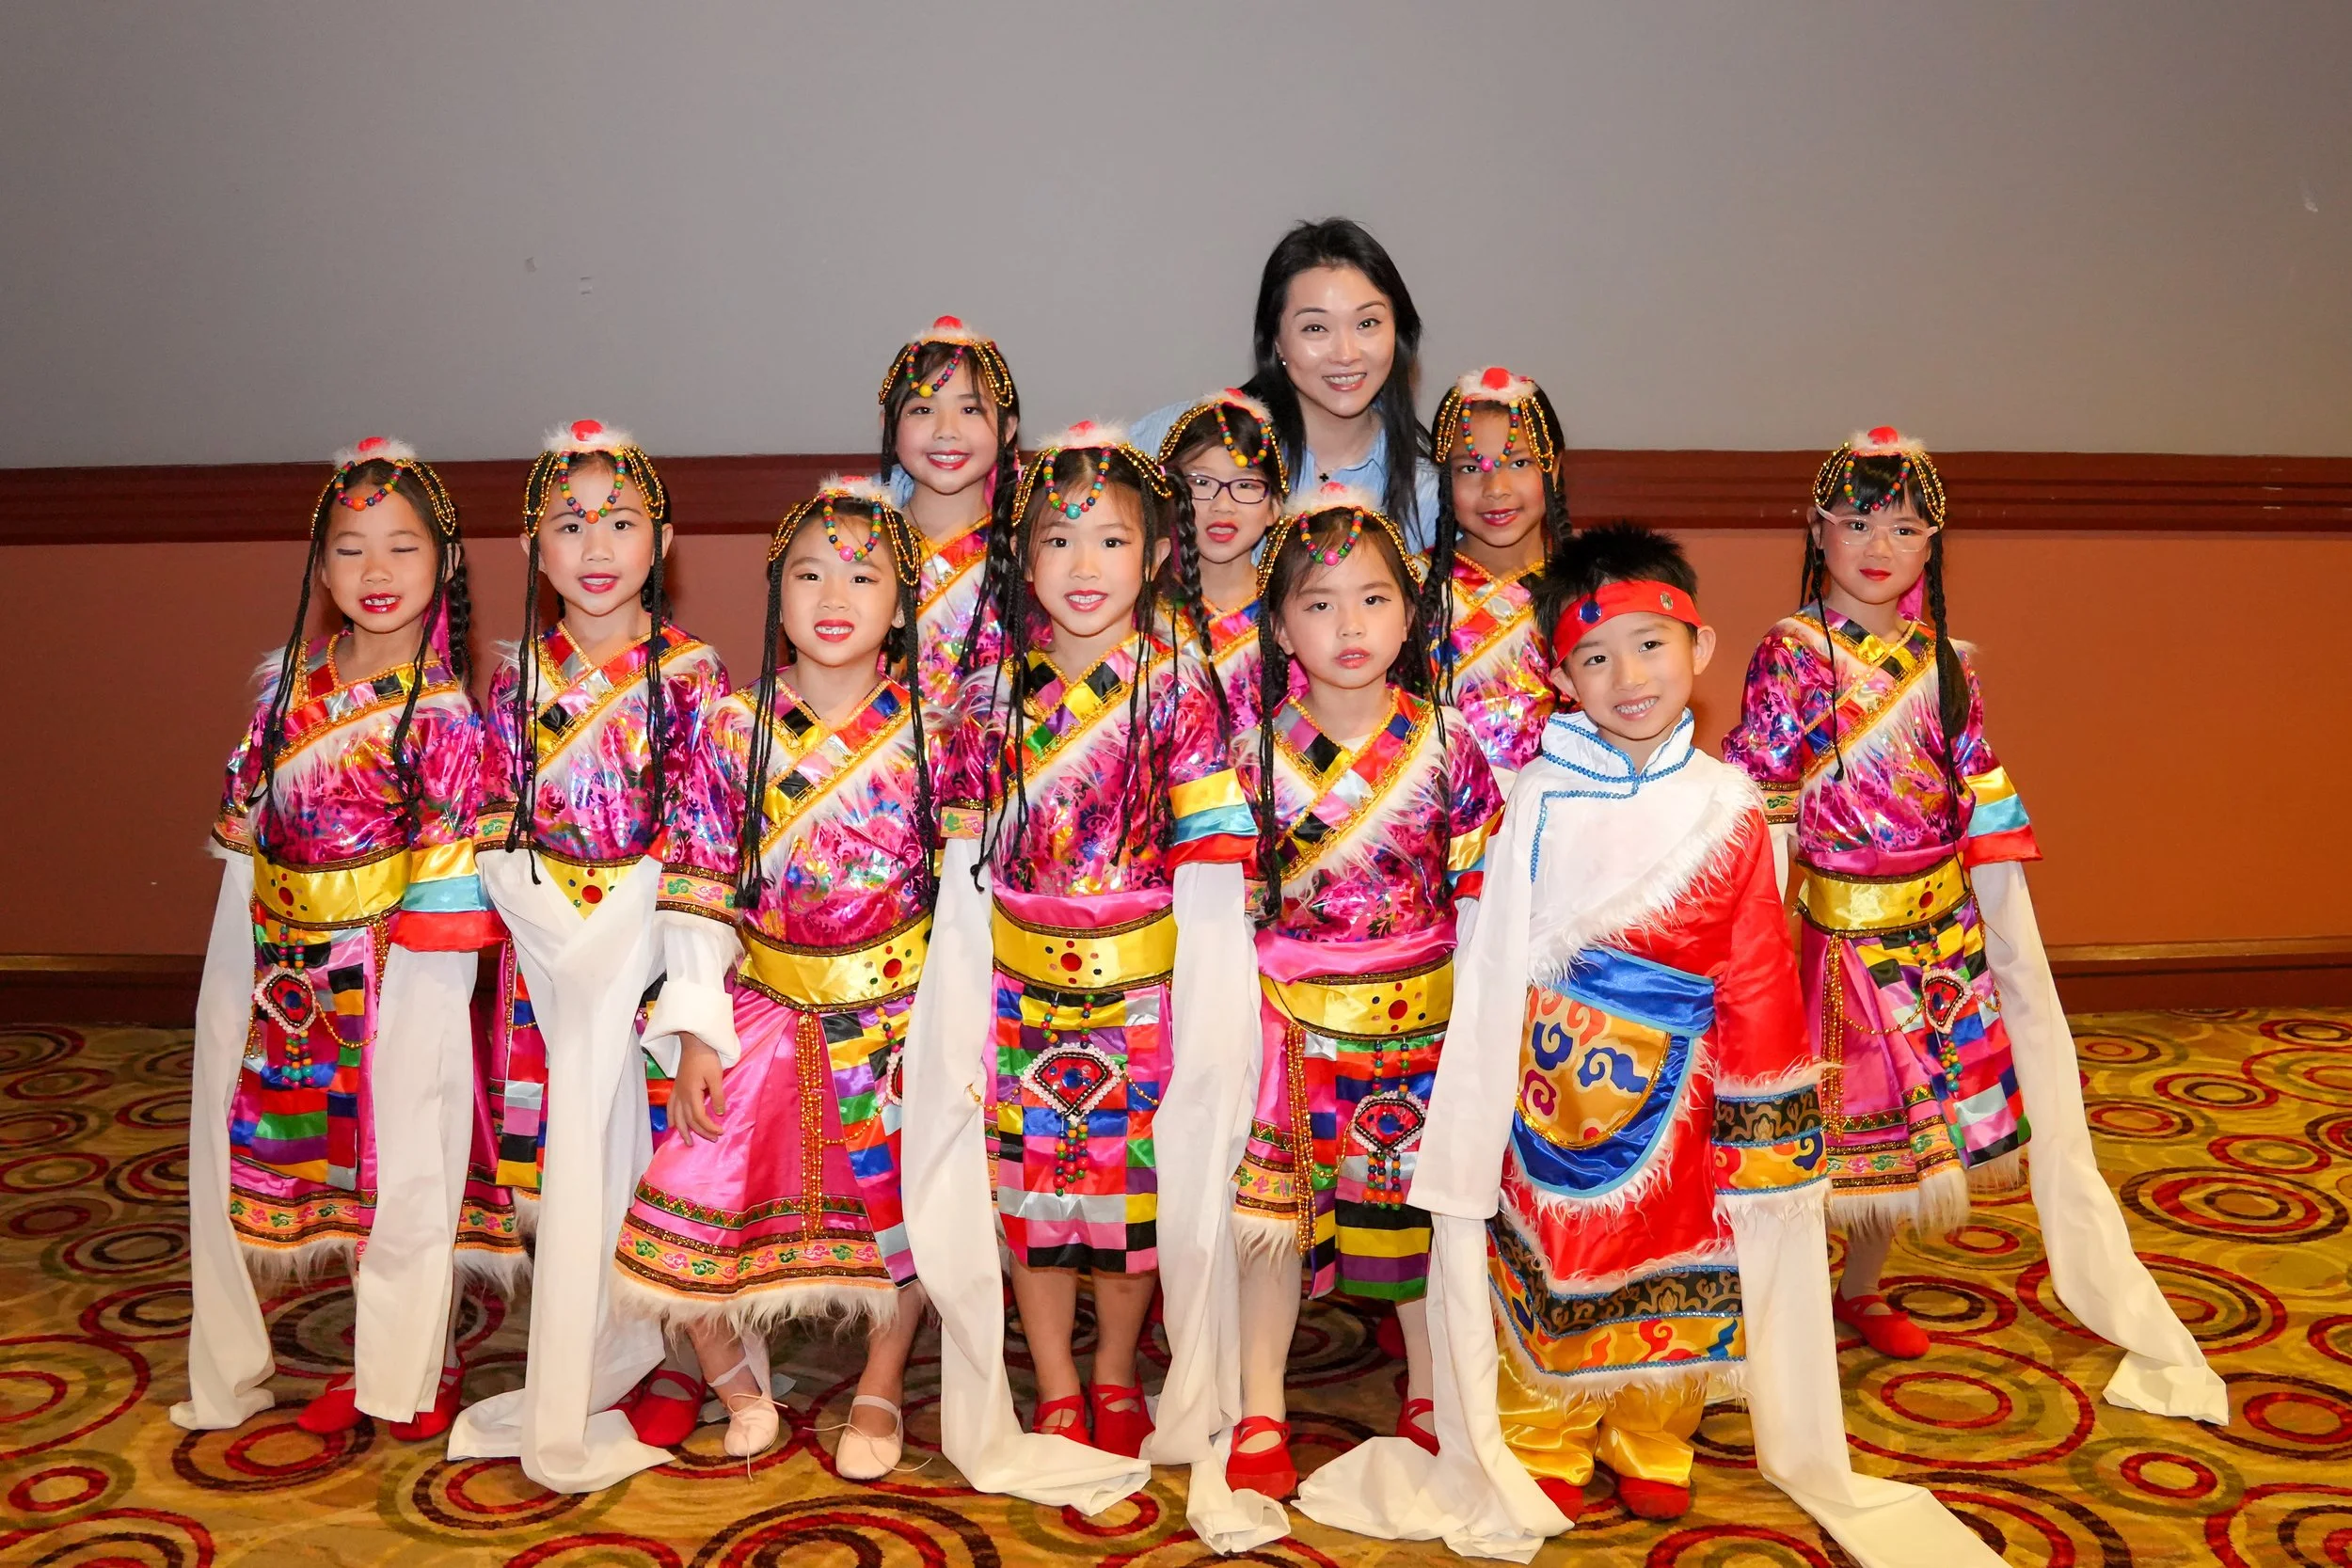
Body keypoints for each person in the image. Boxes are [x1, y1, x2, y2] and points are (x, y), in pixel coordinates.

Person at [1294, 522, 2002, 1568]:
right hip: (1549, 1086)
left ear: (1700, 647)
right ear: (1557, 675)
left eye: (1650, 645)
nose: (1626, 676)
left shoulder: (1725, 804)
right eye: (1594, 655)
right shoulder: (1534, 798)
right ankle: (1546, 1428)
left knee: (1681, 1249)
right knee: (1548, 1255)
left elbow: (1756, 968)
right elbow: (1492, 958)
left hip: (1686, 1091)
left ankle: (1651, 1427)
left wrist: (1764, 1126)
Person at [1723, 428, 2221, 1419]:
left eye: (1903, 526)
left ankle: (1859, 1285)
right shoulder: (1790, 651)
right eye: (1856, 520)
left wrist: (1992, 912)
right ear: (1815, 528)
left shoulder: (1944, 661)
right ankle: (1765, 1305)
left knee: (1916, 1133)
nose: (1877, 543)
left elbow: (1975, 786)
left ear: (1931, 544)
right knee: (1811, 1129)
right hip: (1830, 936)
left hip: (1934, 931)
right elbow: (1762, 789)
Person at [901, 423, 1271, 1546]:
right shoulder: (988, 689)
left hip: (1142, 988)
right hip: (1017, 979)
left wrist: (1212, 1007)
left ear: (1157, 552)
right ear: (1024, 555)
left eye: (1112, 538)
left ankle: (1116, 1364)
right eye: (1058, 537)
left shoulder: (1180, 680)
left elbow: (1208, 867)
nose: (1084, 563)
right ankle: (1052, 1371)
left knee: (1128, 1199)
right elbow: (959, 871)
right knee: (1032, 1191)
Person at [609, 477, 945, 1473]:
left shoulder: (940, 731)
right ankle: (733, 1382)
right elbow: (700, 887)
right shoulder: (728, 726)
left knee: (906, 1207)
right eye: (807, 572)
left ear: (903, 599)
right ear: (775, 594)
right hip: (766, 998)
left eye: (861, 573)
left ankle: (881, 1381)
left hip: (901, 1010)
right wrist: (699, 1030)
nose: (833, 594)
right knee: (693, 1178)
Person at [175, 438, 508, 1443]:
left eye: (402, 548)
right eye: (350, 549)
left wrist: (414, 1003)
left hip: (399, 968)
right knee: (275, 1160)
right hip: (275, 965)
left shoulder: (449, 719)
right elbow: (243, 843)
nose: (375, 573)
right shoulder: (287, 695)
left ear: (444, 565)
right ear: (318, 572)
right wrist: (234, 988)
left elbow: (449, 898)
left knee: (402, 1160)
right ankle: (267, 1360)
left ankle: (407, 1370)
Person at [447, 420, 729, 1491]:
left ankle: (683, 1357)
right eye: (570, 524)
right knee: (570, 1158)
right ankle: (612, 1340)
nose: (597, 543)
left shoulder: (696, 678)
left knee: (659, 1159)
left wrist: (634, 931)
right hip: (549, 962)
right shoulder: (516, 680)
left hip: (650, 958)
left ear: (661, 537)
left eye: (620, 519)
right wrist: (553, 923)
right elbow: (492, 816)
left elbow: (707, 832)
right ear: (532, 549)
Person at [1223, 483, 1502, 1503]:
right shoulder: (1247, 755)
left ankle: (1430, 1382)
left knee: (1418, 1214)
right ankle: (1260, 1397)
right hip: (1286, 1026)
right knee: (1272, 1221)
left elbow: (1480, 900)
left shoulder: (1452, 743)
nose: (1350, 625)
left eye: (1375, 599)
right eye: (1320, 601)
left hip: (1419, 1019)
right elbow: (1228, 918)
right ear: (1279, 620)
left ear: (1412, 613)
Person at [1134, 218, 1439, 551]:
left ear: (1398, 332)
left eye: (1367, 323)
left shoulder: (1427, 494)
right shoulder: (1179, 439)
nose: (1346, 354)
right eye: (1315, 328)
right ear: (1276, 341)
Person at [1421, 367, 1572, 785]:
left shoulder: (1593, 589)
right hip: (1443, 827)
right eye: (1470, 468)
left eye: (1519, 462)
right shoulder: (1406, 589)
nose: (1496, 488)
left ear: (1553, 469)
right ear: (1444, 477)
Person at [877, 315, 1020, 728]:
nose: (946, 431)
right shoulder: (862, 547)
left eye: (970, 409)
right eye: (923, 409)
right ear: (890, 427)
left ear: (1007, 429)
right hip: (885, 783)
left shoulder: (1031, 550)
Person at [1155, 388, 1288, 732]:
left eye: (1246, 485)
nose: (1223, 505)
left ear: (1274, 506)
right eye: (1200, 482)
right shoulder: (1142, 609)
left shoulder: (1292, 608)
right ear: (1169, 492)